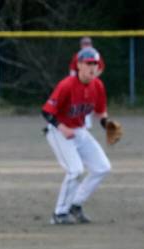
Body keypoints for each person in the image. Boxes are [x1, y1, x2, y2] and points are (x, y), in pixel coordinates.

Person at [42, 48, 112, 225]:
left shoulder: (98, 85)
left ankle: (75, 204)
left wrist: (107, 125)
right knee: (75, 170)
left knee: (102, 167)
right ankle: (59, 214)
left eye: (95, 64)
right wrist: (62, 127)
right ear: (79, 65)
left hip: (79, 131)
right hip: (59, 131)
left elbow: (100, 111)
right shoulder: (67, 85)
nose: (92, 68)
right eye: (88, 63)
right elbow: (47, 112)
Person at [67, 37, 105, 129]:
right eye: (84, 44)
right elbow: (72, 71)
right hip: (79, 83)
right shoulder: (78, 56)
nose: (86, 46)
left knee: (89, 103)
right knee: (79, 103)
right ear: (81, 46)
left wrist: (93, 77)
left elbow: (101, 68)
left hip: (90, 84)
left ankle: (86, 124)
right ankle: (78, 123)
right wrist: (74, 82)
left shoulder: (96, 55)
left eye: (88, 44)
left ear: (91, 45)